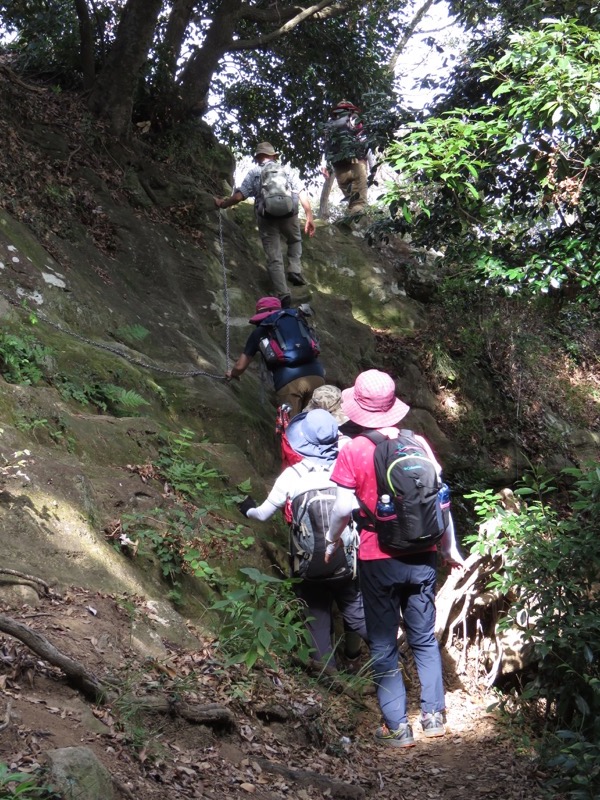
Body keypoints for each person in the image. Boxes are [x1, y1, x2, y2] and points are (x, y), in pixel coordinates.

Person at [323, 369, 464, 748]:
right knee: (423, 638)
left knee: (384, 643)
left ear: (358, 410)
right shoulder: (417, 442)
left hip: (377, 557)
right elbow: (440, 500)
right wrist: (450, 549)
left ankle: (397, 727)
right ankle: (434, 716)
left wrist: (331, 540)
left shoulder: (352, 449)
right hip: (423, 554)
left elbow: (341, 508)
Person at [238, 409, 368, 669]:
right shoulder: (348, 468)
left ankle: (329, 679)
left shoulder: (293, 475)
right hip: (346, 560)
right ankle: (391, 653)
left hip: (309, 564)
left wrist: (247, 509)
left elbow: (263, 514)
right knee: (357, 612)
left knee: (316, 617)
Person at [214, 142, 315, 306]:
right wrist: (309, 216)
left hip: (266, 216)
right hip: (289, 214)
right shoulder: (286, 170)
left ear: (258, 158)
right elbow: (301, 192)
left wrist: (223, 203)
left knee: (274, 256)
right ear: (274, 156)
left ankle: (283, 294)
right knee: (295, 240)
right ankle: (294, 269)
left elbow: (240, 196)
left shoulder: (254, 172)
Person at [226, 296, 325, 419]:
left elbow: (240, 366)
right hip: (317, 376)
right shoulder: (297, 320)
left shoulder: (260, 331)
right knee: (316, 424)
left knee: (291, 428)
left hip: (289, 383)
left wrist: (233, 374)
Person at [321, 100, 371, 214]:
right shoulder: (353, 118)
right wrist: (373, 166)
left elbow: (325, 147)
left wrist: (324, 166)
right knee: (359, 204)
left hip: (339, 169)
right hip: (356, 164)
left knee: (352, 203)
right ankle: (360, 230)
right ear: (350, 109)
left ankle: (347, 228)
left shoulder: (329, 124)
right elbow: (365, 142)